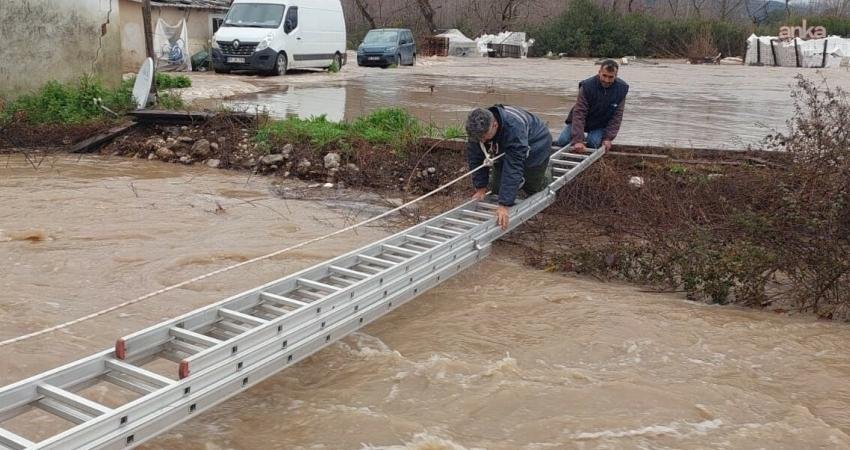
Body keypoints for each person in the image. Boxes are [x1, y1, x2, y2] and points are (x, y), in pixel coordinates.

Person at [465, 105, 553, 231]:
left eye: (484, 137)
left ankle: (546, 173)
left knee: (533, 187)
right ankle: (517, 184)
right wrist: (480, 188)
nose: (482, 141)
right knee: (497, 188)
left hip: (536, 143)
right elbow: (476, 157)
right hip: (505, 145)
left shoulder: (514, 128)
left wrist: (504, 205)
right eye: (479, 138)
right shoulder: (476, 130)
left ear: (495, 125)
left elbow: (513, 167)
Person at [555, 59, 629, 153]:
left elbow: (617, 117)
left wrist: (608, 138)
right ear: (599, 72)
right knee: (563, 141)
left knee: (593, 143)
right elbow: (579, 113)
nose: (606, 80)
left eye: (611, 77)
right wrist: (578, 140)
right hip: (581, 120)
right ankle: (579, 139)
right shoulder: (587, 86)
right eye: (604, 75)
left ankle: (589, 140)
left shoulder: (622, 89)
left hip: (599, 123)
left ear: (616, 75)